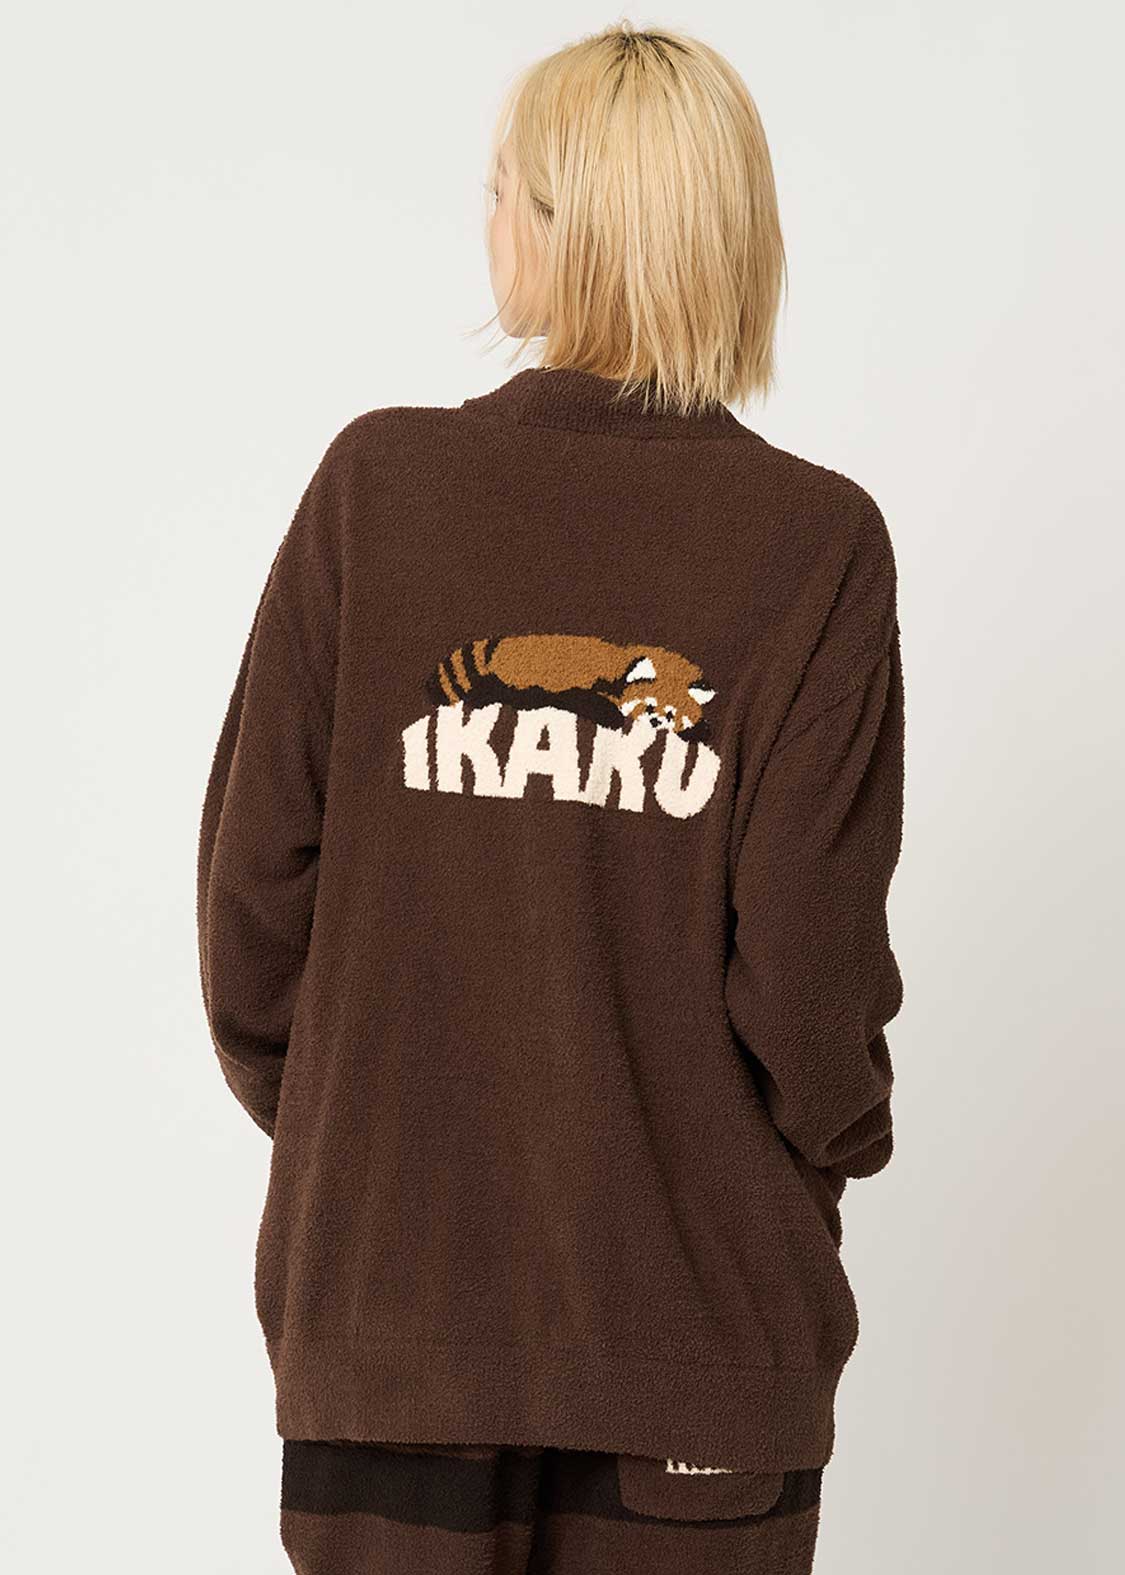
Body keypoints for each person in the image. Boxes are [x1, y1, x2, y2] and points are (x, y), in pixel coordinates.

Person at [197, 20, 905, 1575]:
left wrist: (381, 1132)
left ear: (566, 229)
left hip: (390, 1316)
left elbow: (252, 920)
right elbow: (808, 979)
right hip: (697, 1328)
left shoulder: (376, 490)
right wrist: (835, 1139)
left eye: (503, 189)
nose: (485, 220)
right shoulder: (815, 544)